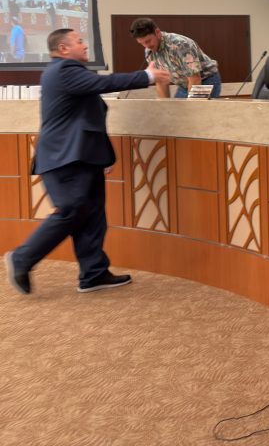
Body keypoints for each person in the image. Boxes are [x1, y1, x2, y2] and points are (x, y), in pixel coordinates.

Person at [4, 28, 169, 295]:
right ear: (63, 49)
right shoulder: (64, 70)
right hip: (64, 157)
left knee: (92, 215)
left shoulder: (69, 73)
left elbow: (86, 118)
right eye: (79, 41)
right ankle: (22, 258)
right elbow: (105, 83)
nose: (85, 45)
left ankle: (93, 273)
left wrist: (102, 155)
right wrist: (148, 76)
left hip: (81, 156)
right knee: (72, 209)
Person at [128, 17, 221, 98]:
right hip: (184, 84)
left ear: (157, 32)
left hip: (206, 80)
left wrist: (192, 107)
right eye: (142, 43)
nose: (146, 46)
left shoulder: (180, 45)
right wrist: (164, 107)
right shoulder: (149, 51)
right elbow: (160, 80)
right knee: (174, 113)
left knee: (196, 115)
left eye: (148, 41)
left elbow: (195, 78)